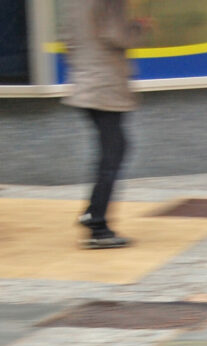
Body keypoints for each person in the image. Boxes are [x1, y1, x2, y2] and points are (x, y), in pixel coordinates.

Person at [62, 0, 151, 249]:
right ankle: (97, 224)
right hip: (105, 86)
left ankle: (94, 215)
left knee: (112, 151)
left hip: (85, 83)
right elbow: (117, 36)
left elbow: (69, 40)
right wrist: (137, 27)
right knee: (113, 153)